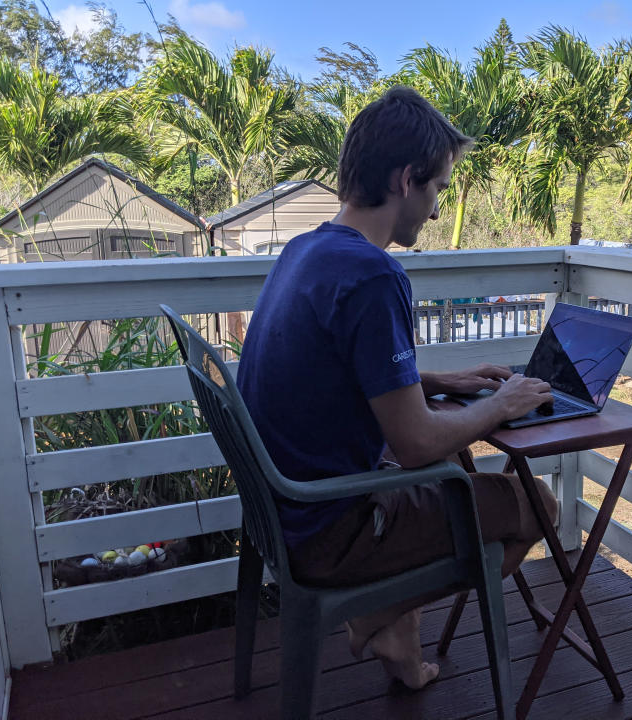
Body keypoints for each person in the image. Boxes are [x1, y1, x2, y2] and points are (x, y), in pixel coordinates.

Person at [237, 86, 557, 690]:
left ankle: (394, 634)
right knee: (538, 502)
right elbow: (413, 444)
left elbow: (329, 368)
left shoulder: (306, 250)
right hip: (331, 529)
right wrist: (501, 403)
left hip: (281, 509)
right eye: (437, 189)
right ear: (407, 179)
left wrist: (431, 379)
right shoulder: (374, 274)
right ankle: (379, 615)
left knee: (447, 485)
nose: (437, 211)